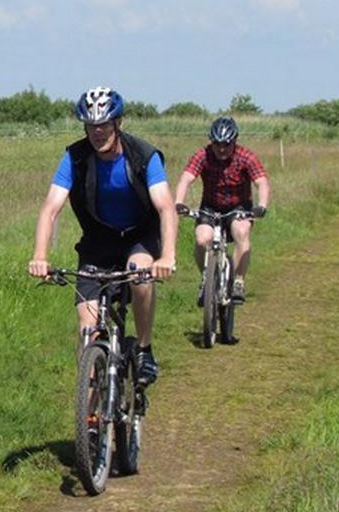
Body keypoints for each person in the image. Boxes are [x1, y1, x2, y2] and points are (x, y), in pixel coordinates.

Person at [28, 86, 177, 386]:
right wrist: (40, 256)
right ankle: (91, 416)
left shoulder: (144, 156)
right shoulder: (75, 157)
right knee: (87, 329)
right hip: (97, 242)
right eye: (91, 126)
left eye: (104, 124)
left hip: (139, 235)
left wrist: (168, 255)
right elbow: (50, 208)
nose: (97, 132)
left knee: (140, 277)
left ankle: (145, 349)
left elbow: (166, 208)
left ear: (118, 123)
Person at [173, 116, 270, 305]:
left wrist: (262, 205)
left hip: (239, 207)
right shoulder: (203, 155)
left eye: (227, 144)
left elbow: (262, 182)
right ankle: (206, 280)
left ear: (234, 141)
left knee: (241, 232)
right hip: (210, 207)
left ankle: (239, 281)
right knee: (202, 240)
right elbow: (186, 178)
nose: (222, 149)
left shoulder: (246, 157)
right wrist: (179, 202)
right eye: (217, 144)